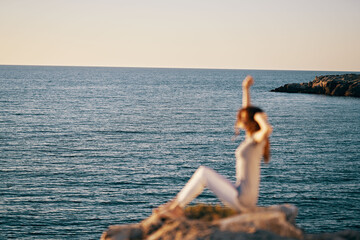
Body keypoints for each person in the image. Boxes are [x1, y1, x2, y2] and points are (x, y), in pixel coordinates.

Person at [155, 75, 273, 218]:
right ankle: (173, 205)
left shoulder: (256, 139)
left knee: (203, 173)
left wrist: (259, 117)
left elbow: (266, 129)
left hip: (244, 199)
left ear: (248, 121)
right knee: (203, 172)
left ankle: (176, 208)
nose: (238, 119)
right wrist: (245, 88)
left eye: (242, 117)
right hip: (240, 192)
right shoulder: (250, 139)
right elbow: (247, 110)